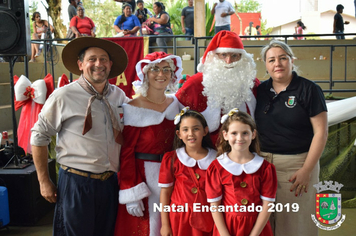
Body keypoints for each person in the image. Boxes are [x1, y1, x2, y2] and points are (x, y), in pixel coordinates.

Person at [30, 37, 129, 235]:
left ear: (110, 65)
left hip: (110, 184)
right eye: (92, 59)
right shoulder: (63, 96)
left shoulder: (119, 96)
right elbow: (39, 136)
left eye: (103, 59)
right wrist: (44, 181)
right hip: (76, 183)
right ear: (80, 64)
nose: (98, 64)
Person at [255, 40, 328, 236]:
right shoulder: (260, 91)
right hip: (262, 166)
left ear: (291, 60)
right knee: (264, 225)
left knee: (295, 226)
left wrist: (306, 169)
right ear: (266, 65)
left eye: (282, 58)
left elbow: (321, 133)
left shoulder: (309, 90)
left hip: (296, 166)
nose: (277, 63)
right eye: (271, 60)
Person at [114, 52, 182, 236]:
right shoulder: (133, 108)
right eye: (155, 69)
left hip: (172, 176)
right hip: (143, 180)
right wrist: (131, 193)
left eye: (166, 69)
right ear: (145, 73)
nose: (161, 74)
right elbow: (126, 153)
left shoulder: (176, 104)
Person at [176, 30, 259, 145]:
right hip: (207, 153)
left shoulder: (250, 83)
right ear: (215, 56)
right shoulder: (196, 83)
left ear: (241, 58)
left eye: (234, 55)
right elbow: (178, 116)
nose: (228, 61)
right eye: (223, 55)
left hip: (243, 150)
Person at [206, 108, 277, 236]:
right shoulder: (217, 167)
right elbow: (214, 206)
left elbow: (268, 205)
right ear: (225, 135)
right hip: (227, 228)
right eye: (234, 133)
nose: (240, 138)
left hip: (257, 228)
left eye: (245, 133)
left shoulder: (265, 168)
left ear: (253, 134)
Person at [159, 107, 217, 236]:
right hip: (179, 219)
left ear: (205, 131)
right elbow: (165, 192)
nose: (190, 134)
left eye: (196, 128)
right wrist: (165, 224)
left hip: (209, 217)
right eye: (185, 130)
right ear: (179, 134)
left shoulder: (217, 160)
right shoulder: (172, 158)